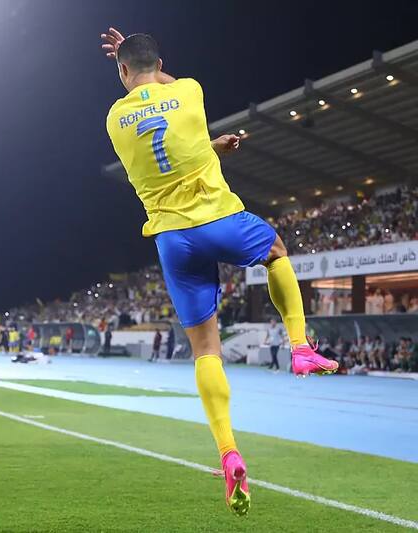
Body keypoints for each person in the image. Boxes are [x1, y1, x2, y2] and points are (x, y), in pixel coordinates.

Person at [100, 28, 337, 517]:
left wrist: (206, 144)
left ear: (122, 71)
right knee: (276, 250)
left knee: (205, 349)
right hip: (218, 219)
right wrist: (209, 145)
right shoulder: (189, 89)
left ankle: (228, 452)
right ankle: (299, 347)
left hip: (172, 238)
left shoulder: (115, 119)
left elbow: (163, 141)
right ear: (160, 62)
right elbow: (167, 100)